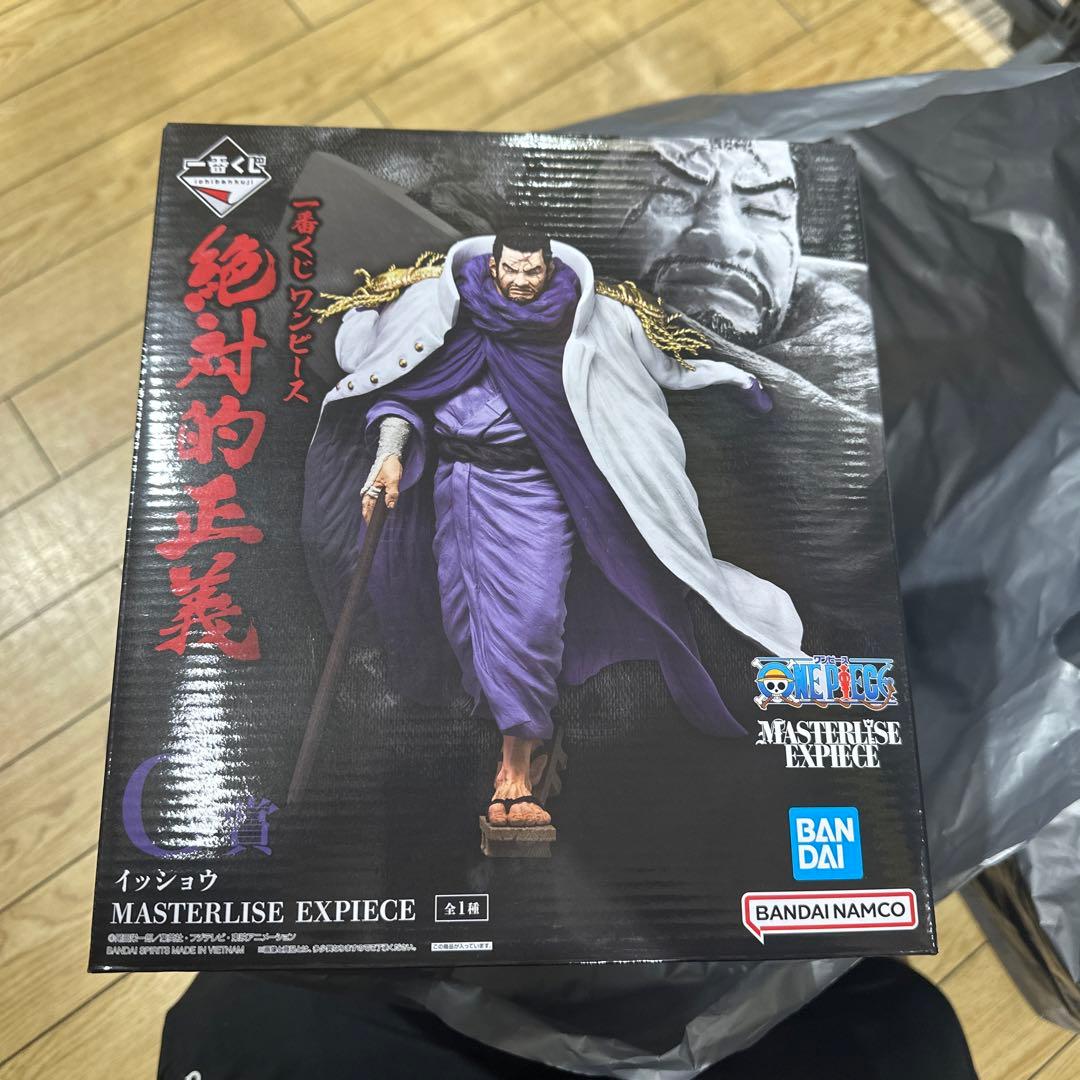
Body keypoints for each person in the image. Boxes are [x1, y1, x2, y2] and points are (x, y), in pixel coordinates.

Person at [302, 228, 804, 830]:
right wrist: (389, 453)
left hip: (537, 491)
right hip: (456, 489)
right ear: (494, 267)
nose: (521, 282)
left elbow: (663, 370)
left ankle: (514, 772)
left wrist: (732, 380)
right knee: (466, 626)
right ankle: (524, 737)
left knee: (531, 619)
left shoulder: (590, 321)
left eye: (532, 272)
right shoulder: (445, 310)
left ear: (548, 268)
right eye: (511, 271)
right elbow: (403, 389)